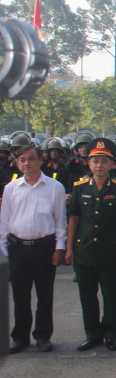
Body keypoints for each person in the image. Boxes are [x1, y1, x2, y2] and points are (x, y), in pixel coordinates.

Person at [1, 144, 67, 354]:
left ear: (40, 160)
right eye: (22, 160)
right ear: (17, 163)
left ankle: (43, 336)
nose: (26, 163)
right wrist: (4, 251)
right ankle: (20, 337)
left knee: (45, 294)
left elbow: (60, 221)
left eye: (31, 159)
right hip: (18, 247)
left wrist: (60, 247)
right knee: (20, 296)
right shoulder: (11, 188)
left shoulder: (55, 187)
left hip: (45, 247)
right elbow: (4, 222)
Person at [65, 138, 116, 352]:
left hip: (109, 250)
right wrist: (69, 247)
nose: (99, 165)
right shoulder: (79, 188)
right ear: (88, 164)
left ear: (112, 164)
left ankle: (111, 334)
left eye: (104, 161)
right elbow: (73, 218)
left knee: (110, 295)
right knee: (87, 295)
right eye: (95, 161)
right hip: (84, 250)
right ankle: (92, 334)